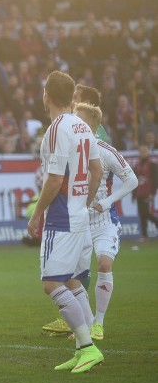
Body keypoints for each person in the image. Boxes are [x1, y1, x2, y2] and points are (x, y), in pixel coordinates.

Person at [27, 71, 104, 373]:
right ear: (72, 97)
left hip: (61, 218)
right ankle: (81, 347)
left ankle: (87, 346)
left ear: (46, 96)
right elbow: (96, 170)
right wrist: (83, 201)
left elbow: (55, 178)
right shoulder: (83, 126)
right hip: (79, 216)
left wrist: (36, 214)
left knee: (51, 284)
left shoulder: (57, 129)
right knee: (73, 281)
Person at [74, 102, 138, 339]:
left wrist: (109, 201)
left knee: (103, 264)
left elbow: (132, 180)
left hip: (103, 220)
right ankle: (87, 322)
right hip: (79, 221)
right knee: (75, 277)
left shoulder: (105, 150)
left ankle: (98, 323)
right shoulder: (70, 149)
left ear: (92, 125)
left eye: (79, 119)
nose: (74, 123)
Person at [133, 144, 158, 242]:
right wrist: (133, 195)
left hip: (148, 193)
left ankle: (146, 234)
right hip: (139, 193)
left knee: (147, 213)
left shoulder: (152, 165)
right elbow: (134, 181)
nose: (143, 153)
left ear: (148, 152)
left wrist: (152, 193)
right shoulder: (137, 165)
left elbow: (155, 180)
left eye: (145, 151)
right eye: (141, 151)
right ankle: (144, 235)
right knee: (142, 214)